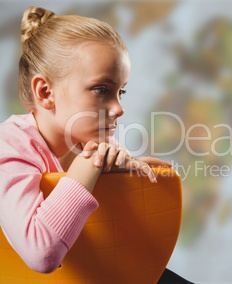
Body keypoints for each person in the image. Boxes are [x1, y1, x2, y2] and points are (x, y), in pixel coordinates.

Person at [0, 6, 193, 283]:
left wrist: (123, 179)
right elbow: (40, 254)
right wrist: (90, 166)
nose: (119, 108)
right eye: (102, 90)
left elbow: (110, 243)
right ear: (45, 92)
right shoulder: (10, 145)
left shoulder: (88, 141)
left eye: (121, 91)